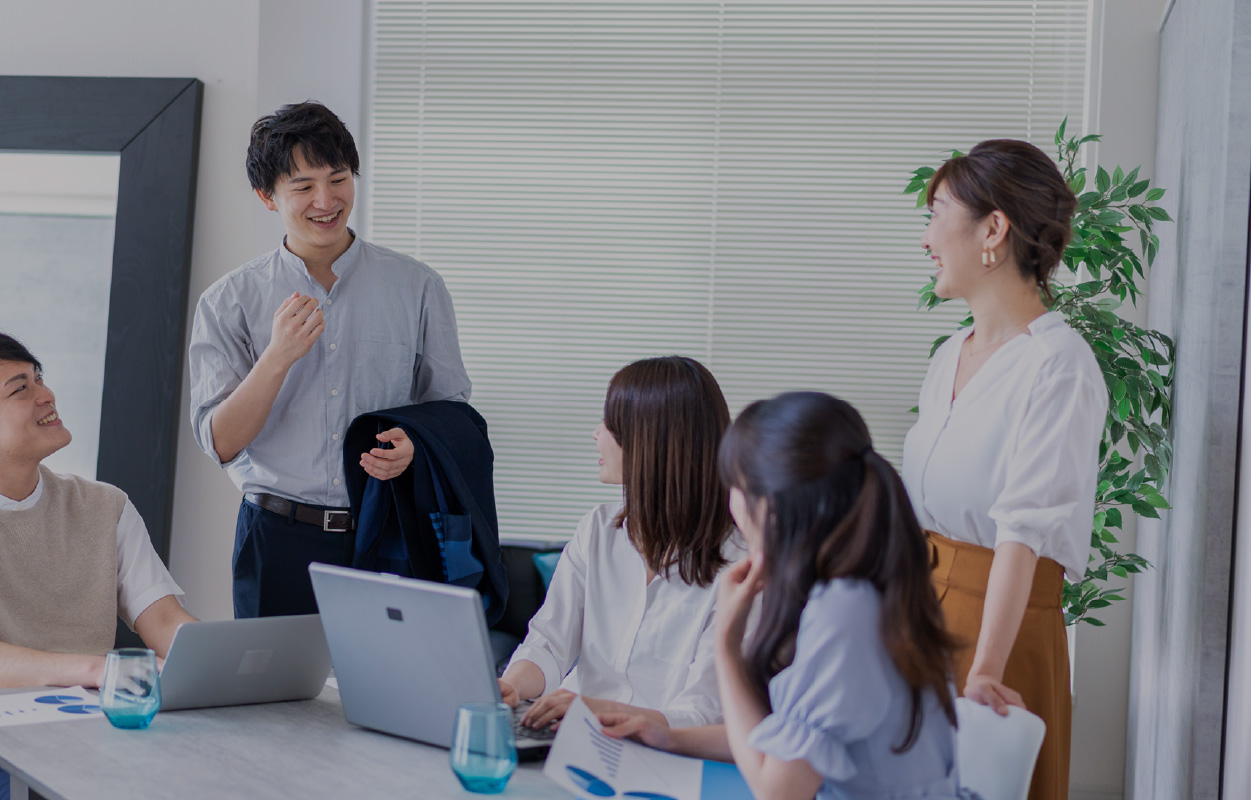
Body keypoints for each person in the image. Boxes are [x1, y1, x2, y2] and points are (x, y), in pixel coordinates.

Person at [600, 392, 962, 800]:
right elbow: (786, 743)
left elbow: (779, 791)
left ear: (770, 504)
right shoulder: (862, 588)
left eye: (732, 485)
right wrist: (670, 737)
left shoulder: (844, 613)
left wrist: (726, 645)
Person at [188, 101, 472, 619]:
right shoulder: (228, 300)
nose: (326, 200)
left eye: (338, 178)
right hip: (276, 537)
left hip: (388, 530)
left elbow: (450, 410)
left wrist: (417, 444)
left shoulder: (418, 287)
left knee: (388, 695)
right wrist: (278, 357)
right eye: (302, 187)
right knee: (273, 700)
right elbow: (221, 441)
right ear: (267, 197)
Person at [903, 139, 1107, 800]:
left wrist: (984, 670)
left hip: (1003, 630)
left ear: (993, 229)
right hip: (923, 617)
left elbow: (1023, 529)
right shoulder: (948, 357)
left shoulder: (1058, 363)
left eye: (936, 215)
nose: (925, 237)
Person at [498, 356, 745, 730]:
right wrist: (510, 687)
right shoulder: (596, 530)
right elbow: (549, 643)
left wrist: (598, 711)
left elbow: (704, 712)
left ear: (650, 441)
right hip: (569, 733)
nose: (595, 434)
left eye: (611, 424)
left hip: (664, 753)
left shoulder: (739, 564)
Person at [0, 333, 197, 799]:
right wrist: (96, 670)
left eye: (39, 378)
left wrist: (217, 665)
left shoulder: (102, 506)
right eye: (19, 388)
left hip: (88, 738)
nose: (45, 395)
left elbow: (165, 620)